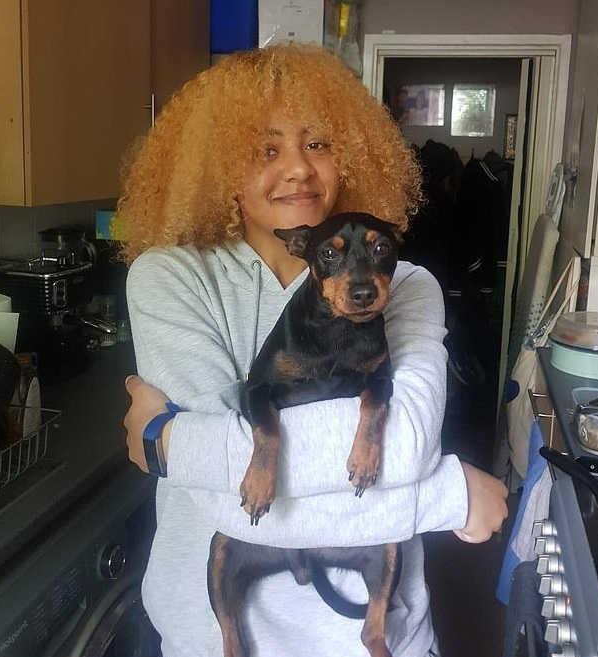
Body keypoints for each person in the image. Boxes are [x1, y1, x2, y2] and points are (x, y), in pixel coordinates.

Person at [118, 43, 508, 657]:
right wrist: (447, 497)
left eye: (318, 143)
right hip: (214, 638)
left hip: (379, 639)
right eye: (265, 149)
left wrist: (173, 443)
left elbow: (404, 445)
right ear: (218, 166)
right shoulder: (169, 278)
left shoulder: (406, 285)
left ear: (350, 155)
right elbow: (220, 492)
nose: (299, 168)